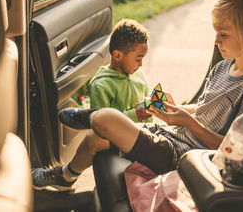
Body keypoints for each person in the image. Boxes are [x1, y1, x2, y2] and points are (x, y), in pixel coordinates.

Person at [58, 0, 243, 176]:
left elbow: (242, 154)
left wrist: (188, 123)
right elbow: (205, 110)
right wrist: (176, 110)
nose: (216, 40)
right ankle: (64, 178)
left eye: (224, 34)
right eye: (216, 32)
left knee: (106, 118)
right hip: (171, 137)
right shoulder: (223, 67)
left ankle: (89, 116)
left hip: (184, 157)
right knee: (93, 140)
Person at [32, 19, 153, 190]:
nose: (141, 64)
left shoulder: (138, 75)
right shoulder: (101, 85)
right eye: (138, 59)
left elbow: (145, 95)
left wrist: (153, 105)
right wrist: (135, 114)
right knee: (95, 130)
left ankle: (65, 174)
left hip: (144, 133)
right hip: (122, 139)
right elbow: (103, 126)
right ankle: (66, 175)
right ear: (117, 55)